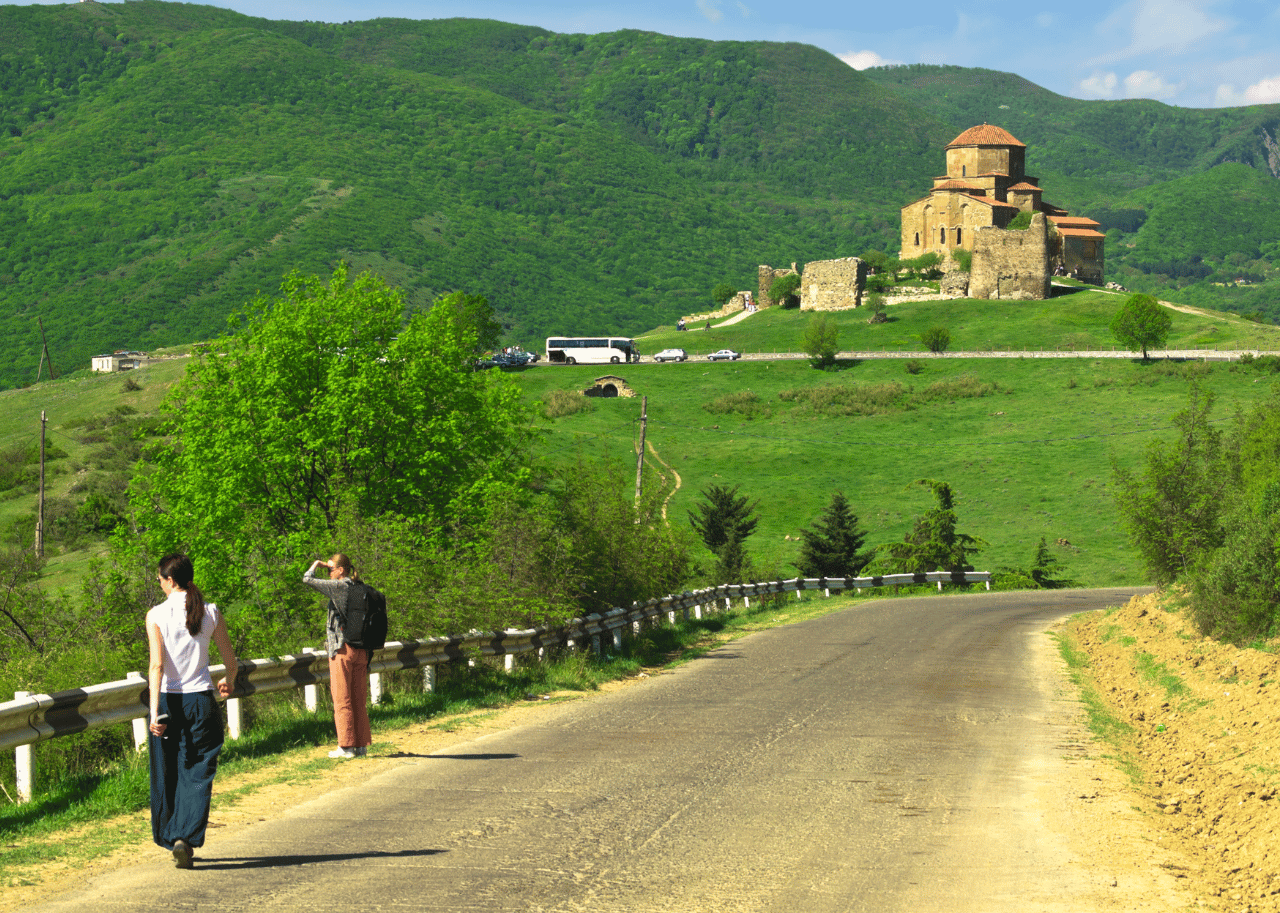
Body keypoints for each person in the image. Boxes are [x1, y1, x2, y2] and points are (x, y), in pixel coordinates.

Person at [147, 553, 237, 870]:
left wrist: (155, 712)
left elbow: (157, 665)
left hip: (169, 701)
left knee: (168, 769)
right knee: (198, 769)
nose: (159, 585)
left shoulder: (156, 614)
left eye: (160, 579)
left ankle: (172, 834)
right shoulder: (210, 611)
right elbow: (230, 660)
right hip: (200, 700)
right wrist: (230, 679)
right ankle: (186, 835)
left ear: (170, 581)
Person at [303, 554, 372, 760]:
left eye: (330, 569)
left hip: (342, 649)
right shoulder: (360, 587)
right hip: (362, 650)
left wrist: (316, 564)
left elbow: (307, 579)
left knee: (342, 699)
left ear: (341, 570)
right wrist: (329, 565)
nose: (328, 573)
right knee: (359, 699)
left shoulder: (340, 586)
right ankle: (361, 746)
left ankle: (346, 746)